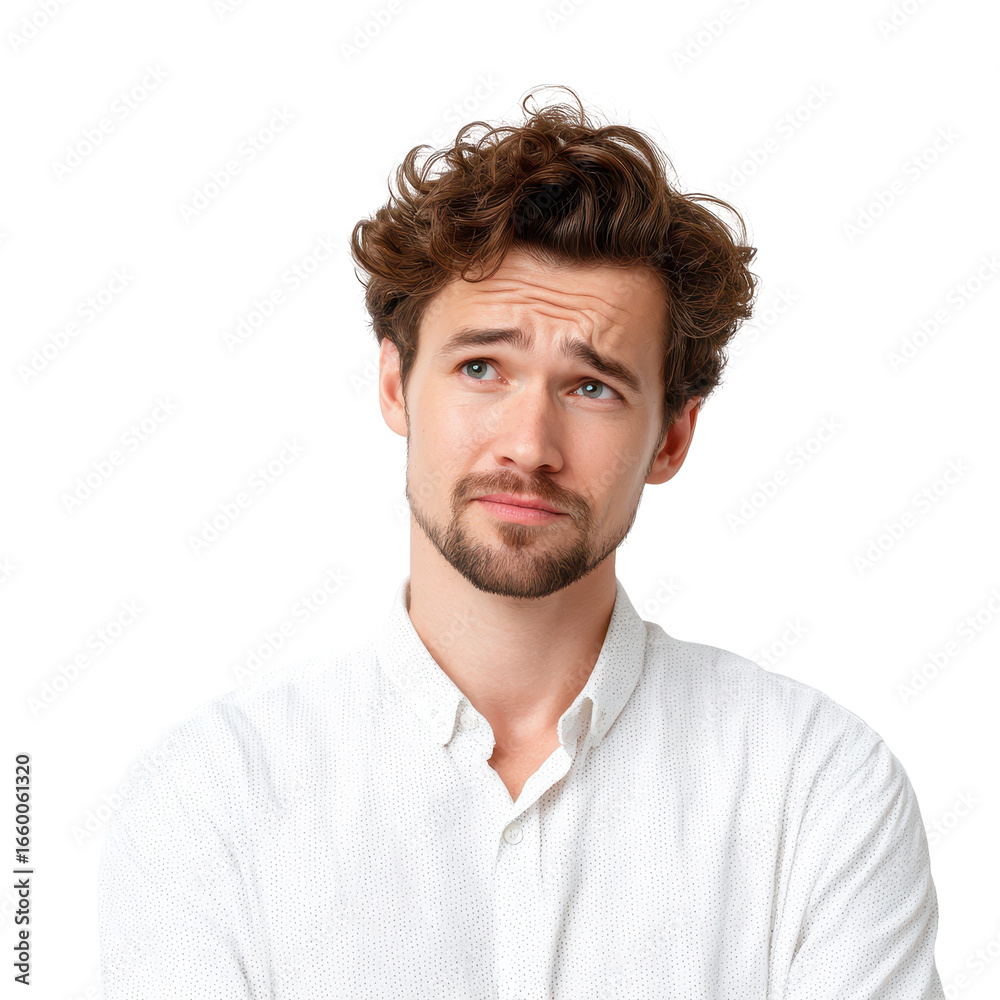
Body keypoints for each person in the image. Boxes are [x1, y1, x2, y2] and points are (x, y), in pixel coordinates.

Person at [98, 86, 945, 999]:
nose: (529, 446)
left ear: (672, 437)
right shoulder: (211, 794)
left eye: (592, 387)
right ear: (395, 385)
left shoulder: (816, 785)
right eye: (481, 367)